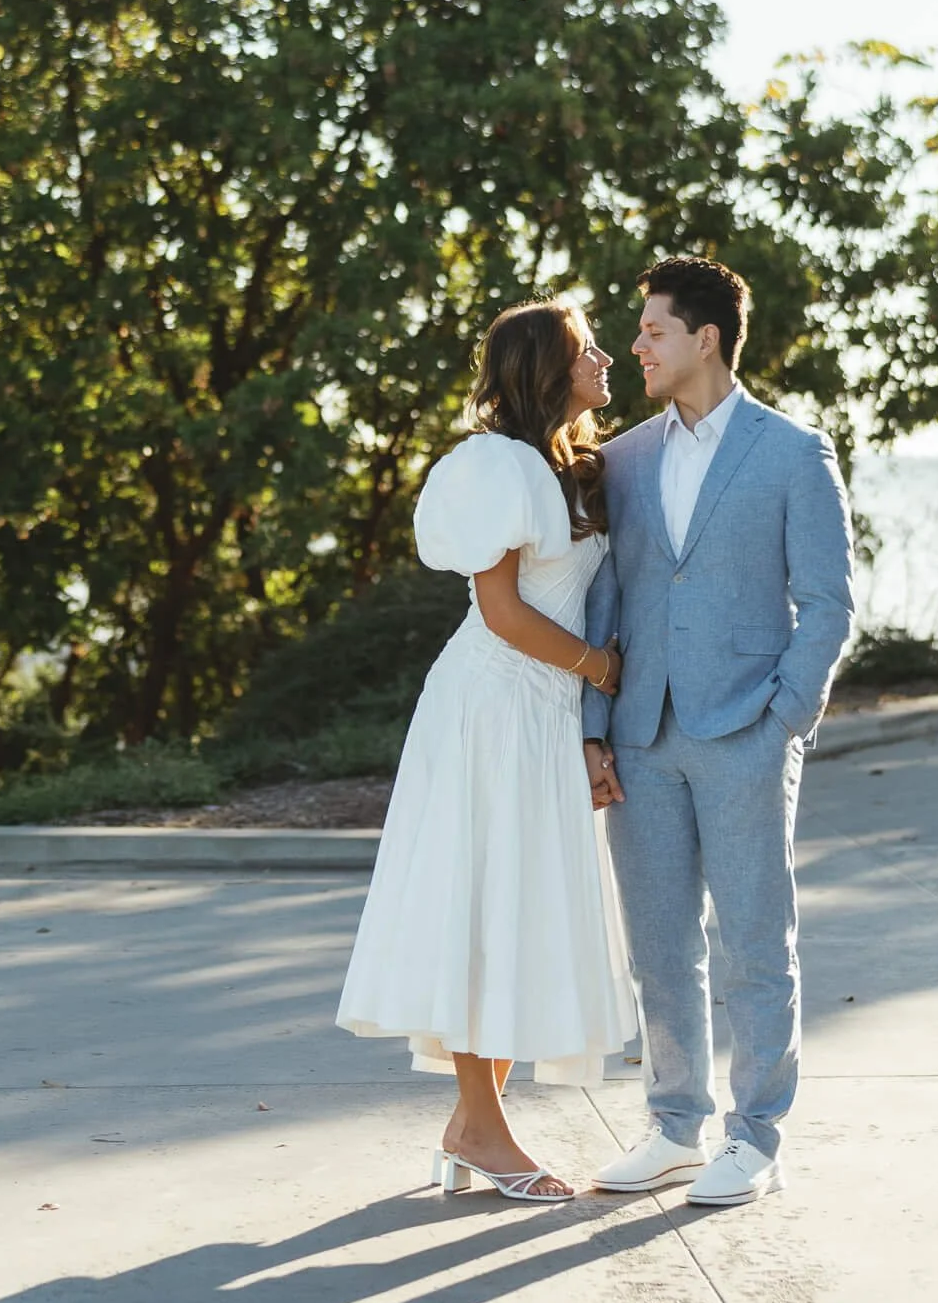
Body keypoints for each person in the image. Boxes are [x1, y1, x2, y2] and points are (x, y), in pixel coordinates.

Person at [335, 300, 637, 1202]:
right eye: (588, 350)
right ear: (547, 369)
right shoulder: (497, 465)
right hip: (491, 711)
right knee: (482, 907)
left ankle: (474, 1125)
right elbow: (503, 615)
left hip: (541, 713)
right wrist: (601, 670)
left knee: (518, 909)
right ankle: (489, 1132)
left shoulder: (564, 466)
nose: (608, 357)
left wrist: (586, 719)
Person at [580, 255, 854, 1208]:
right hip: (641, 729)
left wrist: (785, 719)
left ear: (705, 338)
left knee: (751, 939)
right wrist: (592, 730)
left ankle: (755, 1135)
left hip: (746, 729)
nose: (637, 346)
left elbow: (826, 604)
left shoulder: (793, 452)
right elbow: (602, 601)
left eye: (652, 330)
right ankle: (672, 1125)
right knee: (659, 942)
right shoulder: (621, 458)